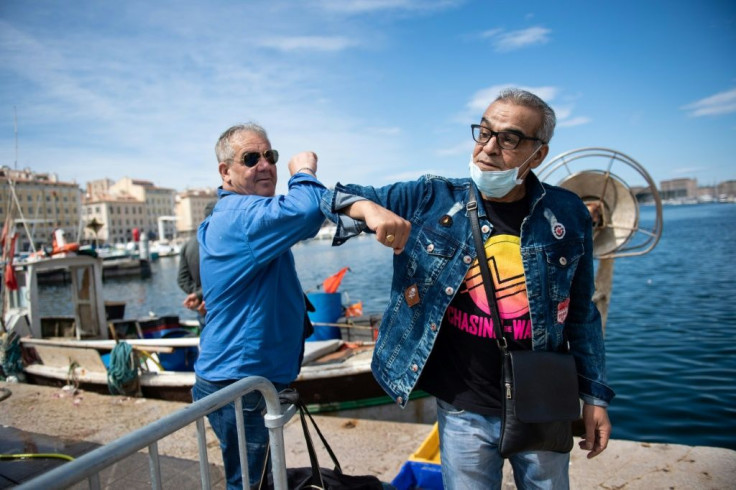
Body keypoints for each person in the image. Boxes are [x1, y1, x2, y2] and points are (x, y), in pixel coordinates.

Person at [320, 88, 614, 489]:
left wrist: (594, 396)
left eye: (509, 138)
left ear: (538, 154)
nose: (488, 148)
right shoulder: (432, 197)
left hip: (543, 400)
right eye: (483, 132)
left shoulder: (566, 213)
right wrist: (369, 209)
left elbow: (581, 313)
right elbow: (331, 198)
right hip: (463, 405)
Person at [192, 123, 326, 489]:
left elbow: (306, 221)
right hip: (240, 383)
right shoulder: (241, 216)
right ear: (226, 171)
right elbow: (307, 213)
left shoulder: (242, 214)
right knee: (249, 485)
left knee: (258, 479)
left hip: (242, 379)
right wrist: (303, 171)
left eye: (272, 156)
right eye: (251, 158)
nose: (265, 165)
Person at [177, 201, 215, 328]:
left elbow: (182, 279)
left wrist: (198, 296)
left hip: (201, 308)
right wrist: (201, 294)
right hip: (220, 306)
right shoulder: (218, 243)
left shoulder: (188, 244)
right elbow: (226, 277)